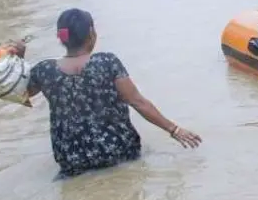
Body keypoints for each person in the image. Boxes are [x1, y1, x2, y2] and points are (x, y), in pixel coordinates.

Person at [15, 9, 201, 177]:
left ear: (61, 38)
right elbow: (137, 102)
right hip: (118, 151)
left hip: (72, 161)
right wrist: (174, 129)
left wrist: (19, 60)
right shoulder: (107, 62)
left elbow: (20, 96)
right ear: (91, 34)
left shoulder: (44, 70)